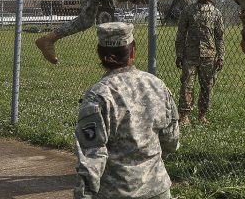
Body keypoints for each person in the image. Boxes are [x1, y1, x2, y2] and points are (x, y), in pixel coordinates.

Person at [74, 22, 180, 198]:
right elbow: (171, 140)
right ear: (132, 52)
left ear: (100, 54)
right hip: (157, 188)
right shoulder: (157, 85)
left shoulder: (99, 95)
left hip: (117, 192)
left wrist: (83, 195)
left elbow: (91, 157)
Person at [175, 0, 225, 125]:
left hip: (209, 56)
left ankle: (202, 114)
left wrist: (221, 56)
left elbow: (219, 37)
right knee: (187, 85)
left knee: (207, 86)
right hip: (190, 55)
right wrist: (179, 54)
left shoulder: (215, 12)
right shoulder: (188, 10)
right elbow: (181, 33)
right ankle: (184, 115)